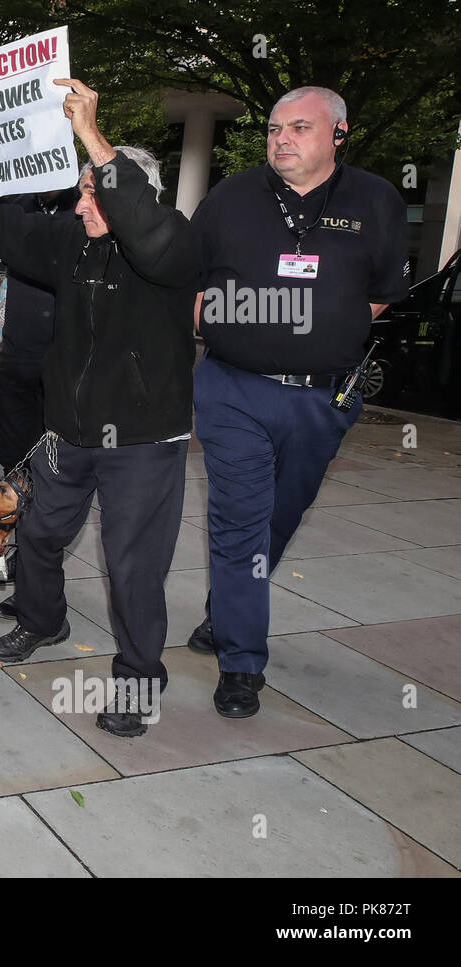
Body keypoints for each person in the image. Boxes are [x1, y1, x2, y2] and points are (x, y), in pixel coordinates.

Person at [0, 77, 200, 737]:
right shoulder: (72, 242)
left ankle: (139, 682)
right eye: (83, 188)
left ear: (132, 196)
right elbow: (11, 228)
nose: (81, 202)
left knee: (133, 567)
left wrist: (92, 136)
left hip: (143, 441)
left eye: (93, 191)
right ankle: (41, 617)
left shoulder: (174, 245)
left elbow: (147, 231)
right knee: (41, 533)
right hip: (68, 435)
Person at [188, 86, 409, 718]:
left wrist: (319, 335)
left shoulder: (376, 201)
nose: (281, 139)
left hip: (321, 399)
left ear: (338, 134)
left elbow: (380, 294)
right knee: (238, 522)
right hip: (232, 389)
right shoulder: (230, 197)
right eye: (274, 128)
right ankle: (241, 663)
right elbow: (192, 281)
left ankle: (226, 610)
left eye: (299, 128)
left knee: (278, 519)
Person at [0, 187, 78, 621]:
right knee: (14, 463)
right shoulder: (19, 206)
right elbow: (9, 279)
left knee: (51, 469)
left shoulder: (83, 204)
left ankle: (35, 566)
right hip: (16, 358)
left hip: (61, 362)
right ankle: (22, 550)